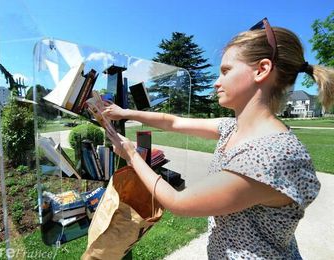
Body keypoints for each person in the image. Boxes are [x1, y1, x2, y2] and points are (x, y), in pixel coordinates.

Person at [101, 18, 334, 259]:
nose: (216, 82)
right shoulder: (232, 127)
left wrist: (131, 154)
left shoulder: (270, 155)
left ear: (262, 70)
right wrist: (125, 112)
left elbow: (178, 202)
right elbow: (173, 121)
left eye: (226, 71)